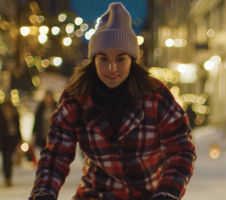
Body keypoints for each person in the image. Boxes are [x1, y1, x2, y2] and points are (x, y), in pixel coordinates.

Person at [29, 2, 196, 200]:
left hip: (148, 195)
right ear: (94, 59)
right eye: (103, 59)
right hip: (95, 195)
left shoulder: (156, 96)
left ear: (132, 59)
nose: (112, 68)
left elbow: (181, 151)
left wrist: (167, 192)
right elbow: (56, 155)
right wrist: (44, 192)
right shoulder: (75, 98)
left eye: (120, 59)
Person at [0, 95, 23, 187]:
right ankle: (7, 177)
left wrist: (20, 138)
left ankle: (8, 177)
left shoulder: (14, 110)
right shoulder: (1, 111)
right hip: (3, 138)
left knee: (8, 157)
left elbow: (18, 125)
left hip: (12, 138)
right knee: (6, 158)